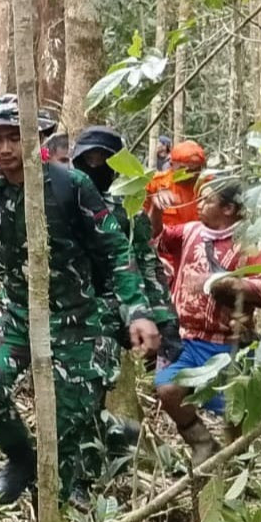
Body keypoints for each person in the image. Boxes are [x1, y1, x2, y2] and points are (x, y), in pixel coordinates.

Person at [0, 97, 160, 506]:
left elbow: (115, 251)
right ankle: (21, 460)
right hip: (16, 314)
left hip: (78, 322)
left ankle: (92, 457)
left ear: (37, 139)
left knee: (66, 444)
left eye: (16, 138)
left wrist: (137, 311)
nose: (5, 149)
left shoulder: (72, 186)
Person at [70, 126, 182, 469]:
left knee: (94, 383)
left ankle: (98, 456)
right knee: (81, 392)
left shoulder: (128, 208)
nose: (95, 165)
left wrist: (164, 318)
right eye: (88, 159)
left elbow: (145, 263)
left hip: (114, 309)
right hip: (69, 307)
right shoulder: (63, 194)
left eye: (103, 160)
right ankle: (97, 453)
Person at [154, 184, 261, 465]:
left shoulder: (250, 243)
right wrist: (156, 211)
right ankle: (202, 443)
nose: (199, 205)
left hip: (228, 343)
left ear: (228, 209)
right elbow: (157, 238)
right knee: (167, 389)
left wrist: (221, 283)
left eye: (207, 201)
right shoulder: (191, 231)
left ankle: (240, 463)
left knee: (234, 411)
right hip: (185, 337)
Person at [147, 139, 210, 237]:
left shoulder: (209, 186)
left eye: (195, 169)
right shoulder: (155, 184)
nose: (190, 174)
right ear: (172, 164)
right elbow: (144, 229)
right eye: (184, 169)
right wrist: (155, 210)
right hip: (164, 245)